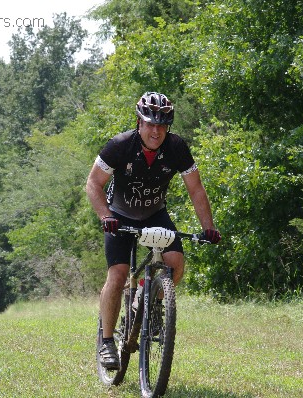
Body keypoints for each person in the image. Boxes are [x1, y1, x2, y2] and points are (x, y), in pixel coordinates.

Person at [86, 91, 221, 370]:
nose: (156, 130)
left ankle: (145, 299)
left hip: (154, 214)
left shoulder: (177, 148)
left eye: (162, 125)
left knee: (175, 264)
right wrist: (105, 215)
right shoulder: (120, 145)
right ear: (139, 122)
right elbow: (93, 184)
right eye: (150, 123)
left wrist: (208, 228)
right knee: (118, 273)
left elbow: (195, 189)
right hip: (119, 216)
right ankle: (107, 342)